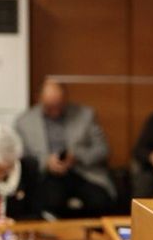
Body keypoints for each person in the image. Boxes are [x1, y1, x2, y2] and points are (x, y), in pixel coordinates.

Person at [15, 78, 115, 217]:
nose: (55, 111)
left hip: (83, 173)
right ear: (39, 99)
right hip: (46, 176)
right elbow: (22, 158)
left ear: (65, 99)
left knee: (100, 201)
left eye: (59, 105)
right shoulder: (24, 122)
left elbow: (103, 150)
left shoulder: (85, 115)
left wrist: (76, 156)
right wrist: (46, 162)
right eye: (50, 107)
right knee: (48, 202)